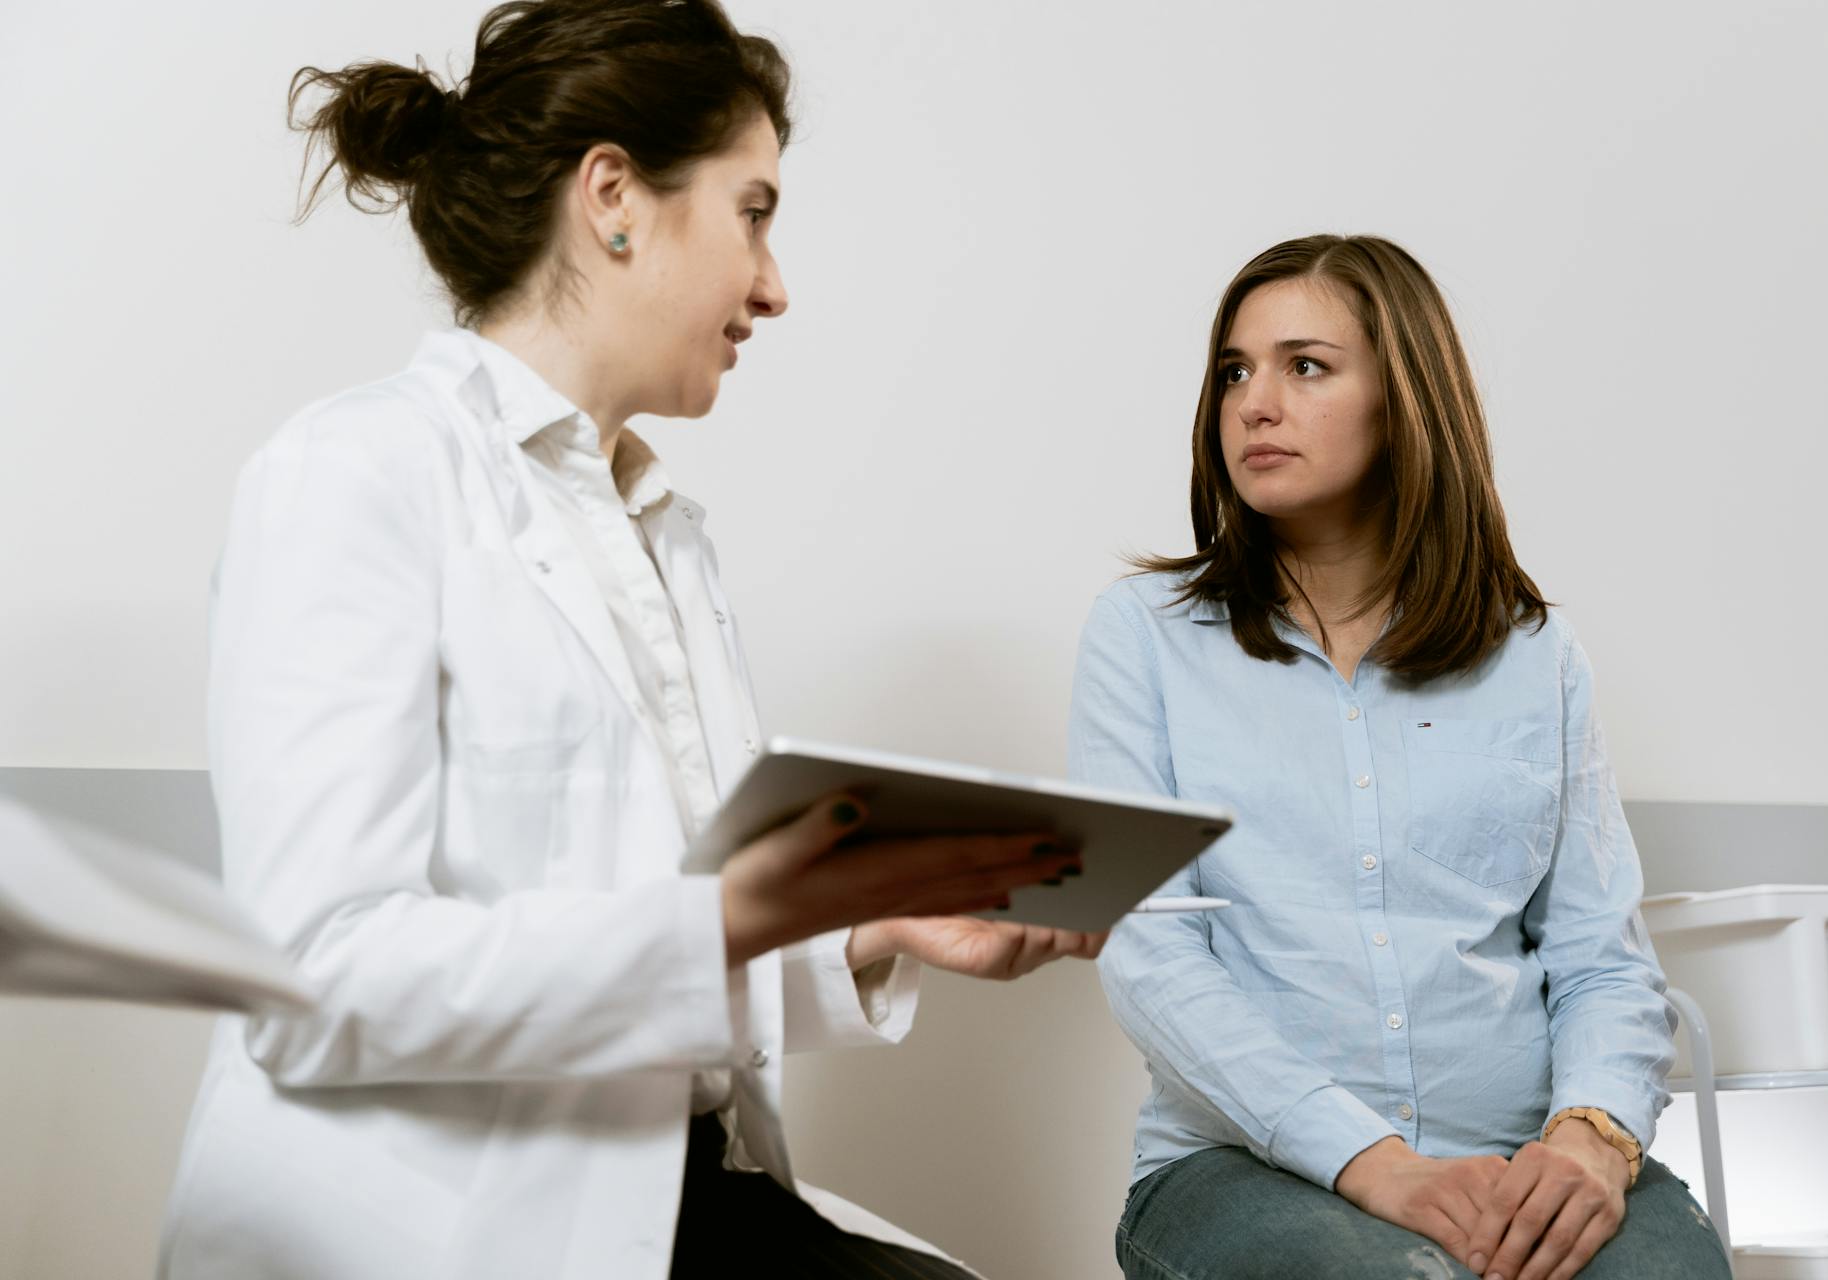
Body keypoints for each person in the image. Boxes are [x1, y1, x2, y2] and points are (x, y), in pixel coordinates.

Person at [157, 3, 1099, 1277]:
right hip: (439, 1225)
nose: (774, 284)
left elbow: (658, 953)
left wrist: (878, 921)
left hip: (669, 1195)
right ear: (614, 195)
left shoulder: (658, 529)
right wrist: (728, 912)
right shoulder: (353, 473)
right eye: (752, 212)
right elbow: (319, 975)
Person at [1070, 234, 1729, 1280]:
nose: (1253, 401)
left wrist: (1592, 1138)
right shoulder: (1144, 634)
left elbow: (1600, 954)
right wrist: (1374, 1163)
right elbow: (1148, 954)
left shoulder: (1536, 655)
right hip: (1244, 1168)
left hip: (1525, 1152)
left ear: (1405, 398)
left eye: (1306, 365)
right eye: (1234, 370)